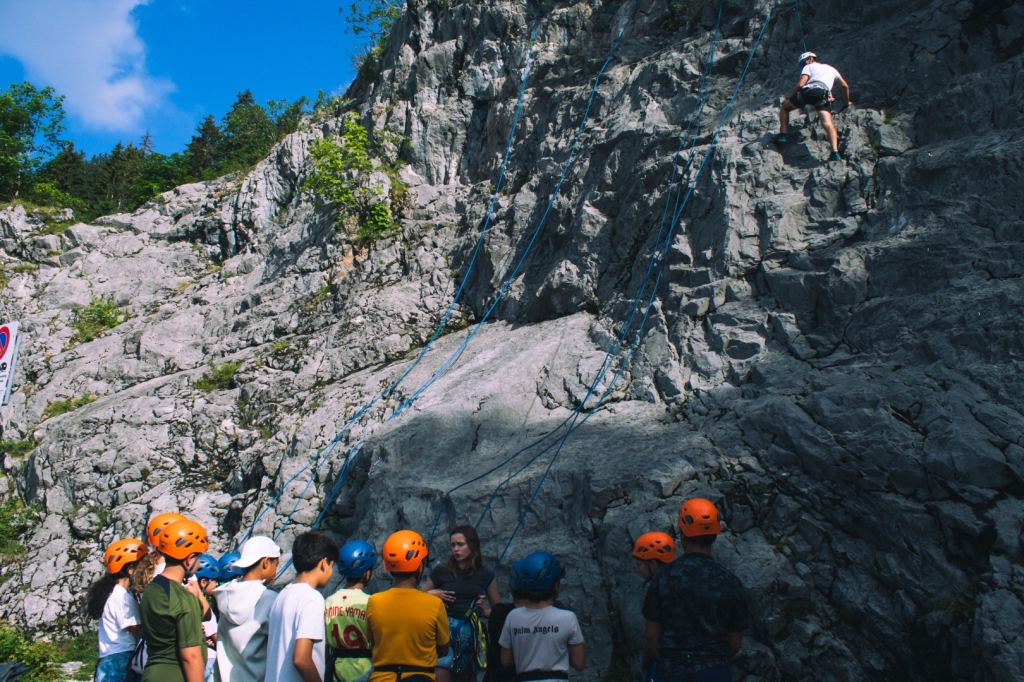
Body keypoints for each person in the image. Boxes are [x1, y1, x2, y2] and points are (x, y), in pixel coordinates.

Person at [640, 499, 749, 682]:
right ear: (714, 535)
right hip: (715, 669)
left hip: (672, 669)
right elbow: (735, 643)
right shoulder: (729, 581)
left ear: (683, 535)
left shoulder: (664, 576)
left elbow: (651, 635)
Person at [366, 530, 450, 682]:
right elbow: (443, 648)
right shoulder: (434, 603)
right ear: (419, 567)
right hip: (421, 677)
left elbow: (372, 643)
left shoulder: (374, 602)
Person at [421, 526, 501, 682]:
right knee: (441, 667)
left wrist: (480, 611)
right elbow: (415, 597)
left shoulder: (485, 575)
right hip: (444, 628)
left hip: (469, 631)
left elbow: (498, 611)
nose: (456, 549)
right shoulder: (442, 571)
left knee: (465, 674)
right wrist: (432, 594)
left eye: (460, 544)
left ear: (472, 545)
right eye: (452, 545)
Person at [140, 518, 211, 682]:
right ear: (190, 558)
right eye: (198, 557)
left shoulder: (151, 590)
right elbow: (191, 657)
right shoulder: (183, 598)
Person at [498, 552, 585, 682]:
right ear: (555, 586)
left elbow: (505, 661)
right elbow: (579, 663)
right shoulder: (568, 618)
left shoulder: (513, 617)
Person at [266, 532, 337, 682]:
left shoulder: (282, 595)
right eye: (331, 566)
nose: (331, 573)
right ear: (324, 563)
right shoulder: (311, 598)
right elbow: (301, 659)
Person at [215, 536, 282, 682]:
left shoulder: (226, 594)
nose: (276, 572)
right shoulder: (268, 598)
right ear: (266, 562)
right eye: (275, 565)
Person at [87, 539, 148, 682]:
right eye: (141, 566)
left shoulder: (110, 594)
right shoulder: (122, 597)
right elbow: (136, 630)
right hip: (122, 658)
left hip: (108, 659)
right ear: (130, 569)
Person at [775, 52, 853, 162]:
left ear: (811, 59)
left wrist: (790, 98)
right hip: (823, 94)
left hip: (809, 91)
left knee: (785, 108)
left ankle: (783, 135)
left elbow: (801, 84)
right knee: (827, 123)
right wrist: (846, 103)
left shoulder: (809, 66)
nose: (803, 66)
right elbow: (844, 86)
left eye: (803, 63)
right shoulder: (832, 69)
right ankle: (835, 153)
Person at [325, 540, 378, 682]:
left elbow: (324, 645)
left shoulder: (329, 601)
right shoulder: (370, 603)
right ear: (367, 573)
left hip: (336, 667)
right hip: (364, 668)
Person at [194, 555, 223, 682]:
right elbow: (217, 639)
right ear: (203, 582)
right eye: (215, 580)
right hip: (207, 659)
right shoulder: (204, 608)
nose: (217, 584)